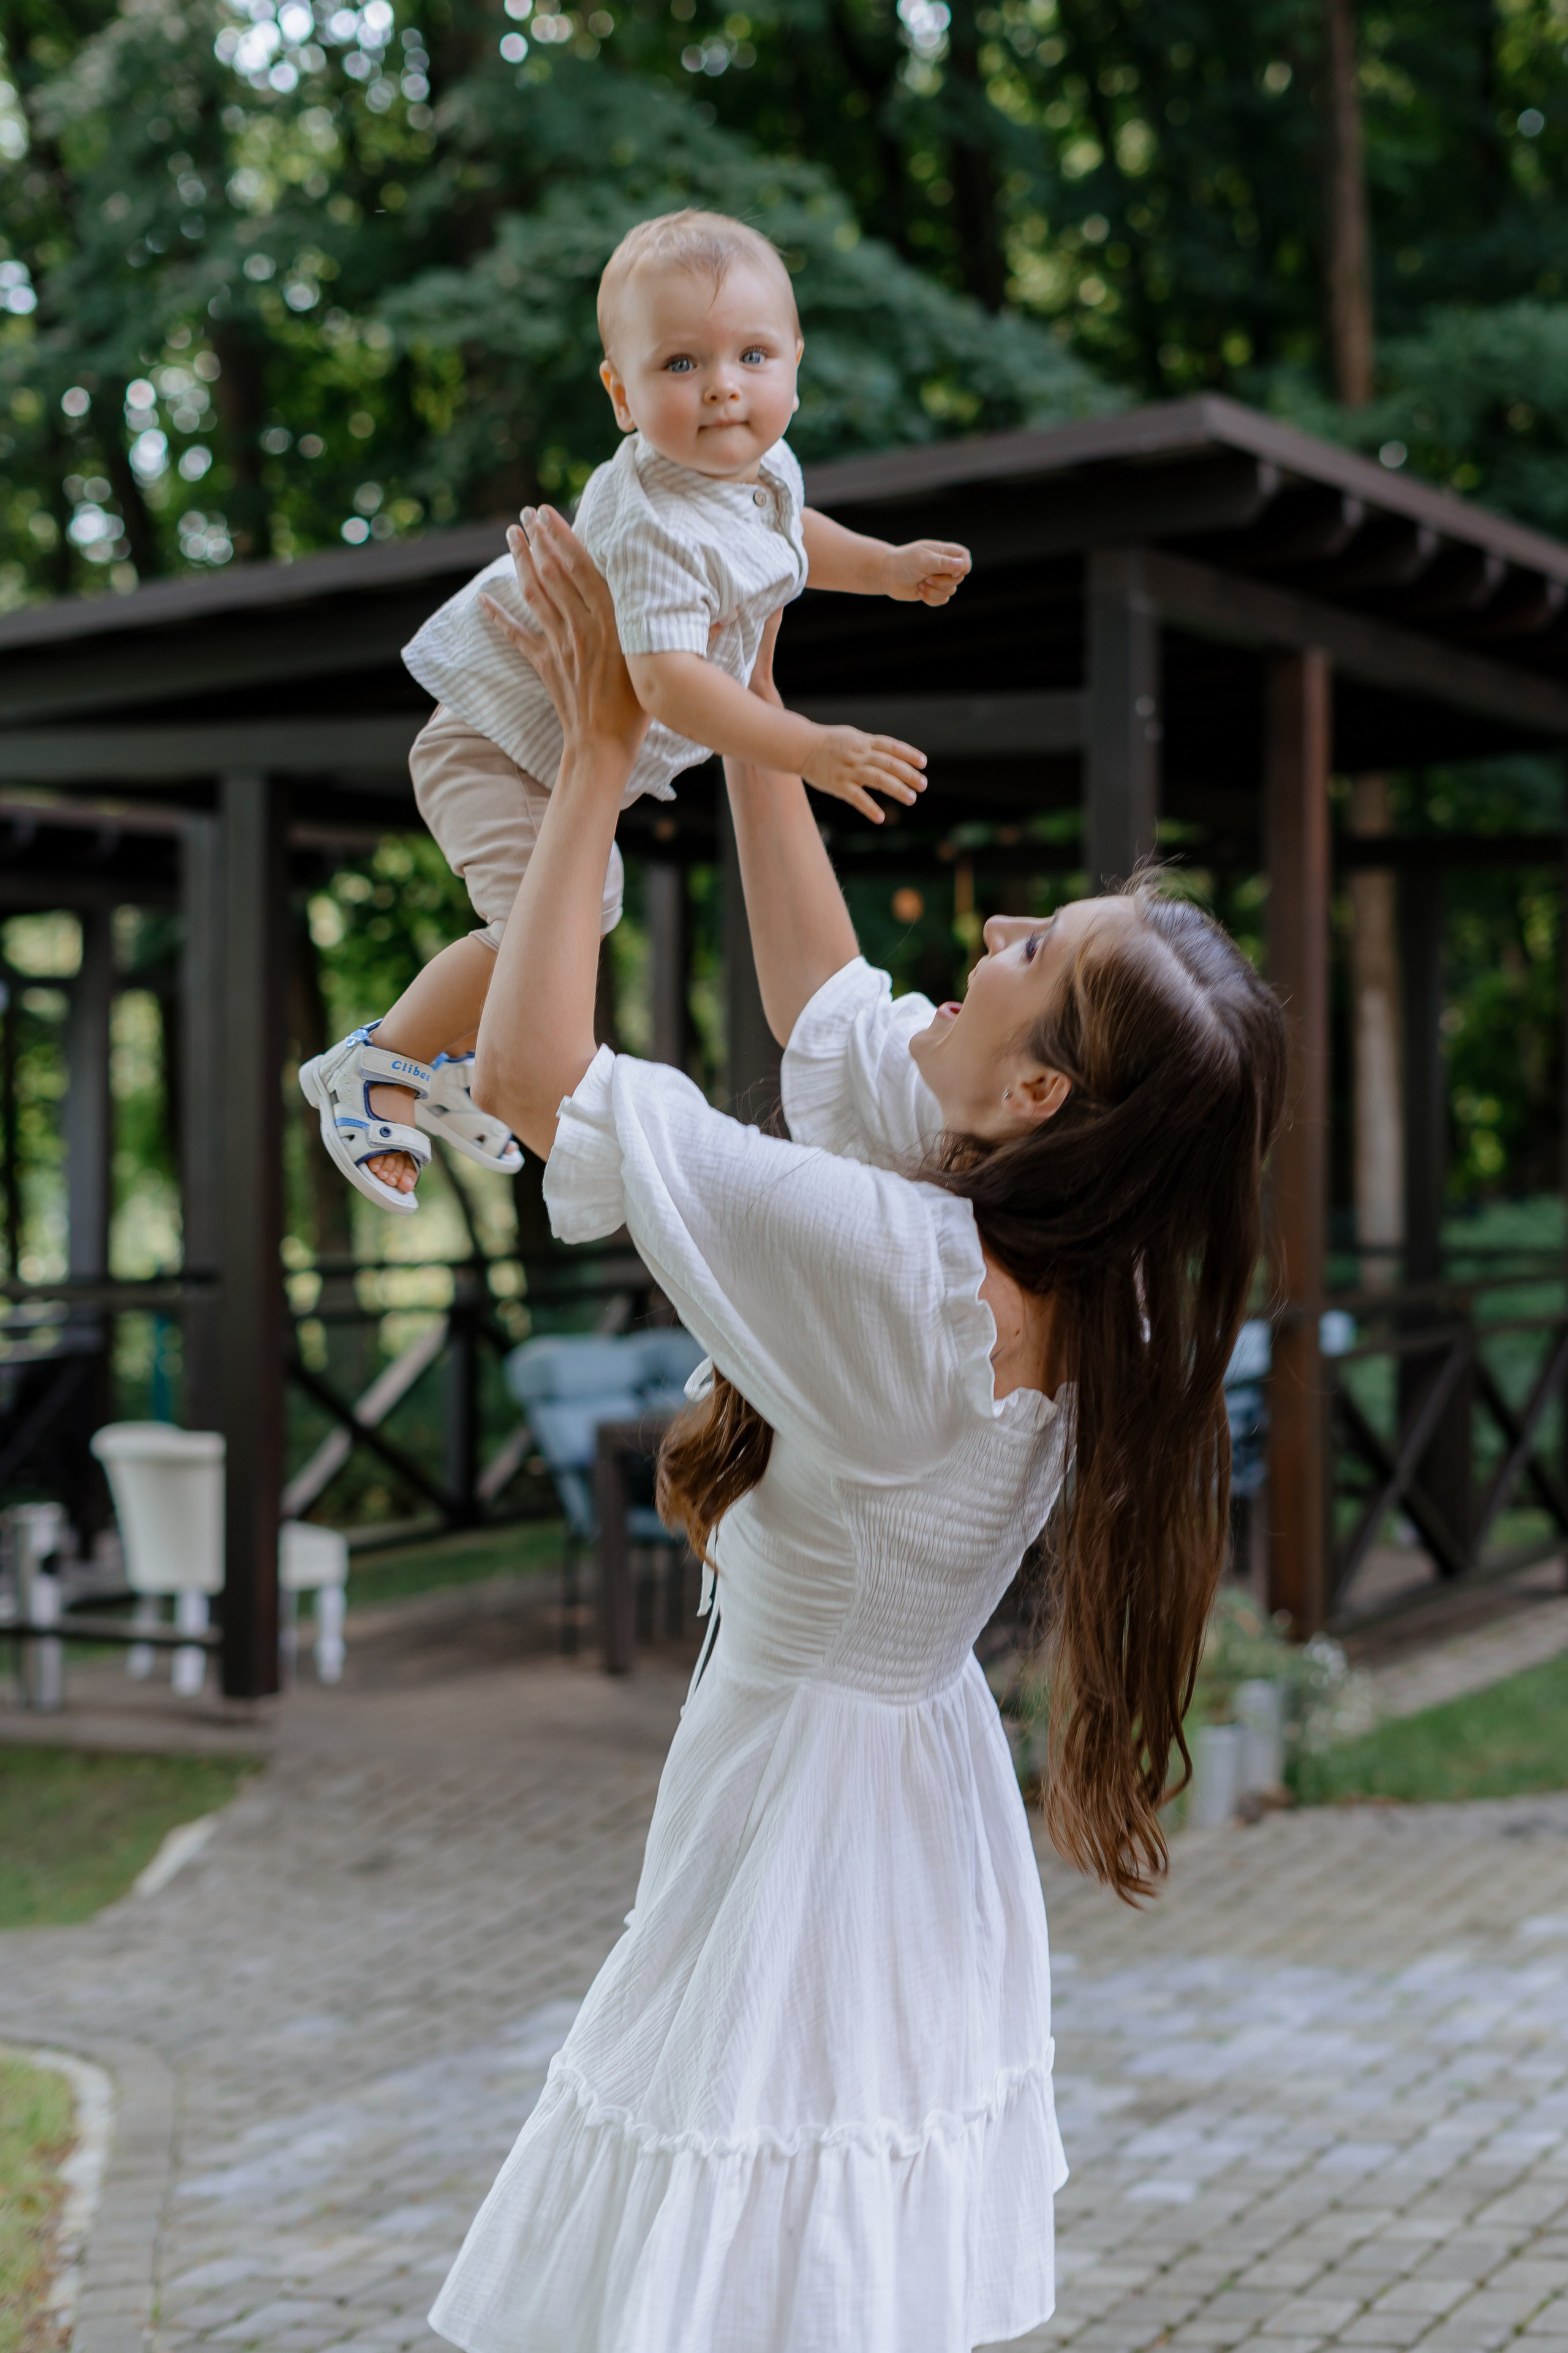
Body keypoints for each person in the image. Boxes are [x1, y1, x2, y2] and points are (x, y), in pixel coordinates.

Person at [426, 508, 1287, 2353]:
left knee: (735, 2252)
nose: (991, 931)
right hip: (899, 1782)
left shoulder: (907, 1278)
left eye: (1032, 945)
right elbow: (829, 1014)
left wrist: (593, 754)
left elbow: (528, 1075)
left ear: (1037, 1088)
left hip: (804, 1815)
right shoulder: (1072, 1255)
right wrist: (747, 699)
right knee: (817, 2261)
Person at [300, 208, 969, 1215]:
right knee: (547, 923)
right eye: (681, 365)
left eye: (752, 356)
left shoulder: (758, 469)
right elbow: (667, 687)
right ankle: (377, 1064)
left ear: (796, 365)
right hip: (493, 743)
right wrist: (806, 747)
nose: (723, 387)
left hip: (551, 748)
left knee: (579, 911)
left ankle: (449, 1062)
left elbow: (794, 536)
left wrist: (886, 568)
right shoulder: (654, 516)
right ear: (621, 394)